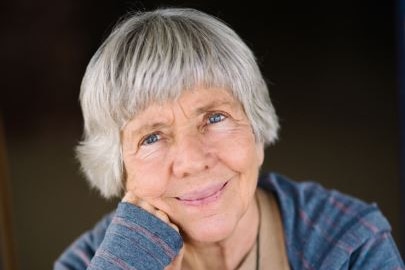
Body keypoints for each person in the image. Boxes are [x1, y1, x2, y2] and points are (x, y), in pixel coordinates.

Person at [54, 7, 404, 270]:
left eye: (215, 117)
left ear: (256, 128)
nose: (192, 159)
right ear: (119, 168)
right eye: (152, 137)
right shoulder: (88, 263)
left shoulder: (349, 244)